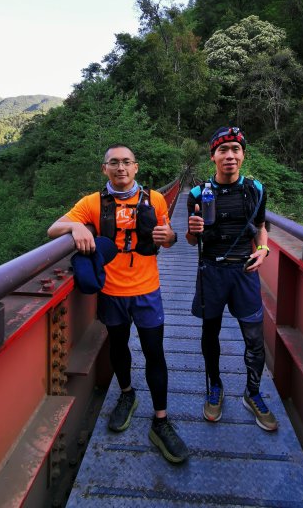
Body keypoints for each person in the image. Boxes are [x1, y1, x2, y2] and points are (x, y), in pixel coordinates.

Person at [48, 144, 188, 463]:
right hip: (111, 291)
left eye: (126, 162)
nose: (120, 167)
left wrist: (172, 238)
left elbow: (167, 235)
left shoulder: (154, 199)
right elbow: (53, 228)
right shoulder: (92, 203)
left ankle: (161, 420)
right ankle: (127, 395)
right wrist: (76, 226)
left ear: (136, 167)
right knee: (118, 347)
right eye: (114, 163)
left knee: (155, 352)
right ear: (105, 169)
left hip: (147, 289)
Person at [186, 126, 278, 431]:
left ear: (242, 155)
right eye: (223, 150)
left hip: (245, 272)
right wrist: (192, 230)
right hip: (211, 271)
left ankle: (252, 393)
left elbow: (262, 227)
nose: (230, 156)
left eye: (235, 150)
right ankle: (215, 386)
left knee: (254, 338)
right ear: (213, 156)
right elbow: (190, 240)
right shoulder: (199, 194)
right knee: (210, 334)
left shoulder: (256, 190)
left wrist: (263, 249)